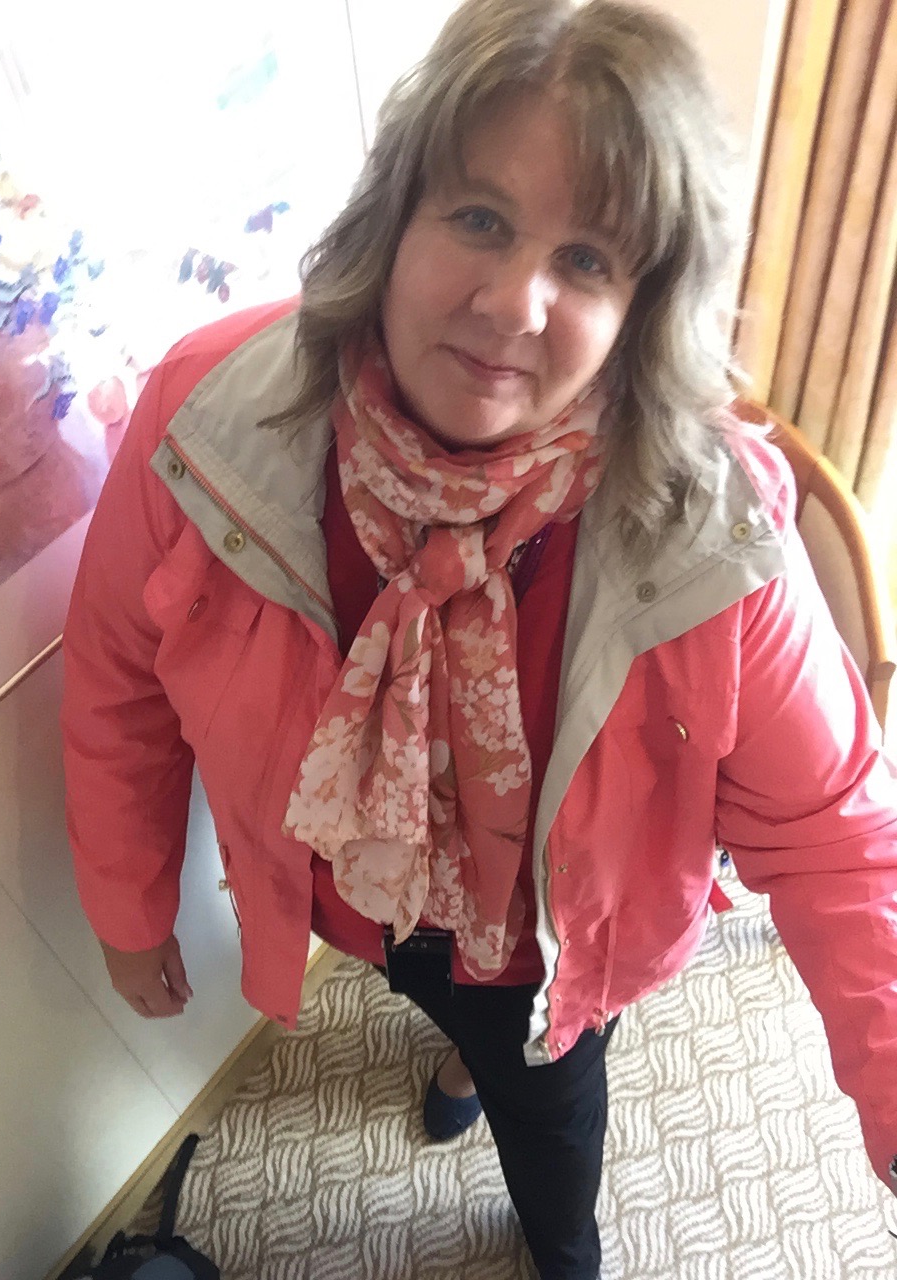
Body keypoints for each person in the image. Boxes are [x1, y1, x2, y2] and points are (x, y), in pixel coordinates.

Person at [60, 1, 897, 1277]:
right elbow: (118, 678)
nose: (512, 303)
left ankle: (560, 1240)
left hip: (549, 945)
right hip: (359, 898)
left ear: (642, 308)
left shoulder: (706, 527)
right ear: (395, 213)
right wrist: (128, 906)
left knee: (549, 1119)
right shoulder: (208, 416)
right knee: (428, 984)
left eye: (588, 258)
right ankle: (455, 1034)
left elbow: (839, 833)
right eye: (481, 219)